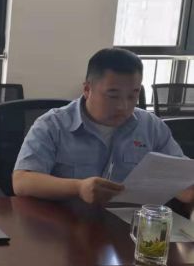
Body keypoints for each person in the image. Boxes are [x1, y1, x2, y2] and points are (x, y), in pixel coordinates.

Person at [13, 47, 194, 205]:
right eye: (113, 96)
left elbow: (181, 178)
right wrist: (78, 188)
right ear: (87, 89)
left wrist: (185, 189)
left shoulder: (151, 126)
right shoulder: (53, 125)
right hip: (65, 222)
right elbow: (22, 181)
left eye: (132, 96)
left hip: (129, 224)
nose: (123, 106)